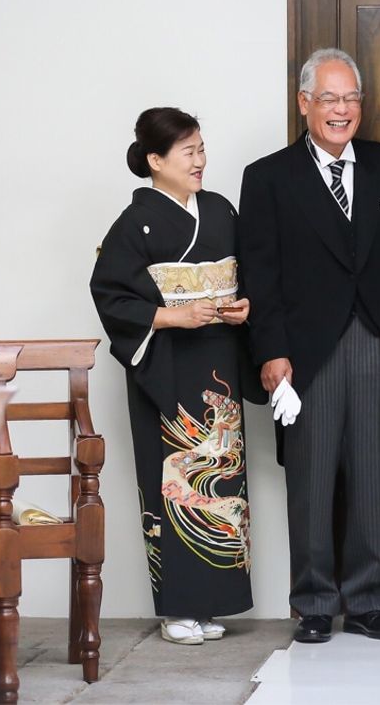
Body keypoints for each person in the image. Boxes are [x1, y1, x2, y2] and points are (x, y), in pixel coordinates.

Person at [238, 48, 380, 644]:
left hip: (377, 342)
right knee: (311, 480)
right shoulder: (268, 177)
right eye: (329, 98)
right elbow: (260, 275)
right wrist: (271, 352)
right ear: (304, 104)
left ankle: (368, 600)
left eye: (350, 98)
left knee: (374, 474)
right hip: (304, 353)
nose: (341, 110)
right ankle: (314, 602)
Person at [91, 107, 255, 646]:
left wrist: (243, 307)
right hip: (164, 367)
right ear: (156, 161)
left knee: (222, 478)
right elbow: (110, 293)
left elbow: (247, 275)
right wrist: (169, 316)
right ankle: (177, 608)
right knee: (172, 484)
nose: (200, 161)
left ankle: (214, 603)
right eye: (189, 152)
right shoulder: (134, 223)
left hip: (218, 360)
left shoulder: (221, 210)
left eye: (202, 149)